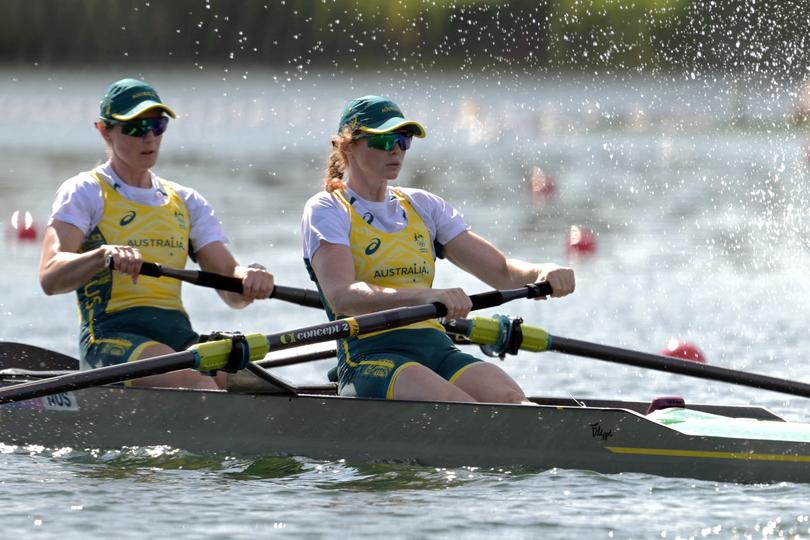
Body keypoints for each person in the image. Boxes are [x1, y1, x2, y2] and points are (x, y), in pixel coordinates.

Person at [301, 95, 576, 403]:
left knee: (513, 401)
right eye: (383, 139)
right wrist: (425, 295)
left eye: (403, 139)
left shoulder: (423, 206)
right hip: (370, 358)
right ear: (348, 146)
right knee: (462, 408)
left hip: (437, 350)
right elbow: (343, 296)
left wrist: (542, 271)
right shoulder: (327, 209)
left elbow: (502, 273)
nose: (395, 149)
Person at [39, 78, 274, 389]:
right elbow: (50, 276)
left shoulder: (187, 202)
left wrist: (250, 277)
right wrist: (102, 255)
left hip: (179, 338)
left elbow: (230, 288)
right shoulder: (85, 191)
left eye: (157, 125)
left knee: (263, 388)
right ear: (104, 130)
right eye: (135, 127)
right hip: (111, 339)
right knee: (196, 382)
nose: (148, 137)